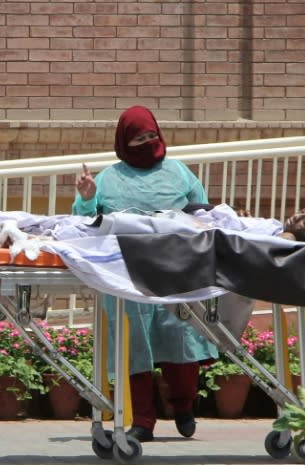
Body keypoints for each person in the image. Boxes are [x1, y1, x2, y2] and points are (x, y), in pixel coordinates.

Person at [73, 105, 220, 442]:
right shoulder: (109, 178)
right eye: (139, 138)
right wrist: (86, 199)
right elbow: (84, 223)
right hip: (126, 274)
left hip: (176, 270)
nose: (148, 142)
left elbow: (202, 211)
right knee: (134, 343)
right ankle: (142, 420)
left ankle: (183, 405)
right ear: (124, 142)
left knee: (180, 338)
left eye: (152, 136)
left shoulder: (180, 172)